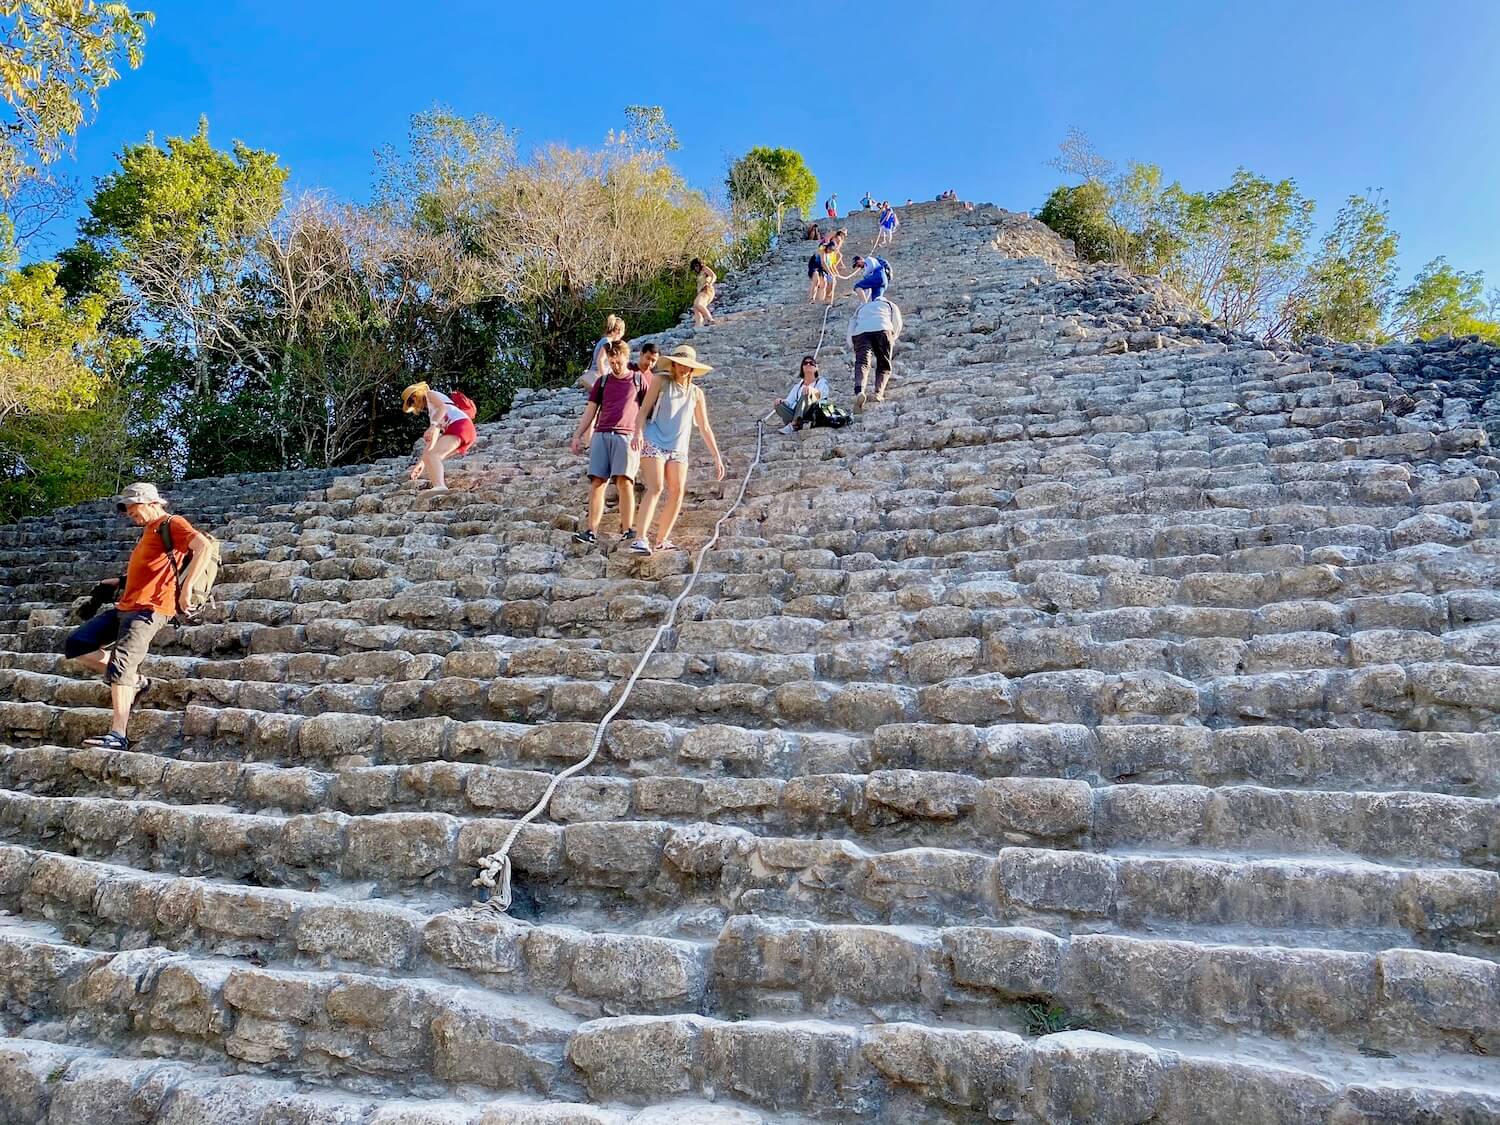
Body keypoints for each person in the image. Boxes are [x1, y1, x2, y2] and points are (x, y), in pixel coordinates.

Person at [64, 482, 212, 752]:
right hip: (126, 605)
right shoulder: (148, 531)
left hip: (150, 608)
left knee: (122, 664)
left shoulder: (172, 523)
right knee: (77, 644)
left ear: (151, 503)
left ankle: (118, 735)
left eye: (135, 509)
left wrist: (186, 589)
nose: (131, 515)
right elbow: (150, 569)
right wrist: (117, 581)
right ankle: (137, 682)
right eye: (129, 511)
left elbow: (204, 547)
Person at [628, 345, 725, 555]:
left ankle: (662, 538)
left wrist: (717, 457)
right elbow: (643, 409)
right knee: (655, 487)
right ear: (673, 365)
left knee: (678, 491)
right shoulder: (661, 381)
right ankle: (640, 538)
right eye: (680, 364)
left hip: (678, 446)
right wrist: (638, 432)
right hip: (655, 439)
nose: (683, 369)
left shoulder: (696, 393)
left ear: (692, 369)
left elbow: (704, 426)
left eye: (687, 366)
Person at [570, 340, 650, 545]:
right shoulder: (602, 382)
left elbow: (647, 410)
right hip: (602, 434)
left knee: (625, 481)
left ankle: (628, 528)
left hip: (627, 435)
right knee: (597, 481)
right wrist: (578, 435)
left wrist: (641, 434)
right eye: (612, 362)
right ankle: (591, 530)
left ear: (626, 356)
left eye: (618, 361)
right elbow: (590, 410)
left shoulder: (638, 380)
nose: (615, 366)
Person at [403, 381, 477, 491]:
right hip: (461, 428)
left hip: (460, 425)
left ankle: (440, 486)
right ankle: (437, 487)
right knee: (431, 457)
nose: (413, 405)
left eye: (411, 401)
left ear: (415, 395)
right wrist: (422, 463)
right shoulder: (433, 413)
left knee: (434, 455)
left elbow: (443, 408)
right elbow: (432, 442)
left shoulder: (430, 394)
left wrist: (433, 425)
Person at [846, 291, 904, 410]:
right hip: (883, 329)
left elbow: (852, 323)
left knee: (862, 363)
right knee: (883, 364)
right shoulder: (890, 305)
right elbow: (897, 322)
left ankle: (859, 391)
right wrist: (893, 337)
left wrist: (852, 343)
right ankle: (878, 393)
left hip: (861, 333)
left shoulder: (862, 307)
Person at [771, 356, 831, 434]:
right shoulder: (797, 386)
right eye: (805, 363)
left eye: (811, 363)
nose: (808, 365)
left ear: (816, 368)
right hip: (798, 412)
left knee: (806, 393)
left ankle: (794, 424)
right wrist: (781, 401)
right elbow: (789, 401)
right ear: (802, 368)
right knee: (779, 405)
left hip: (812, 412)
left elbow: (822, 395)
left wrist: (811, 391)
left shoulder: (821, 382)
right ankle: (798, 423)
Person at [577, 314, 626, 390]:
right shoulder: (607, 343)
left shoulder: (605, 340)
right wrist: (605, 379)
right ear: (618, 331)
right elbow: (600, 361)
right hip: (597, 374)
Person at [690, 258, 717, 326]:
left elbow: (713, 275)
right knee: (696, 307)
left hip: (706, 289)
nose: (696, 268)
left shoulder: (704, 268)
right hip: (702, 291)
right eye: (694, 267)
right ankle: (699, 325)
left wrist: (710, 283)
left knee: (698, 304)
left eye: (697, 265)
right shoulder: (699, 274)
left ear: (700, 264)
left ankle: (710, 319)